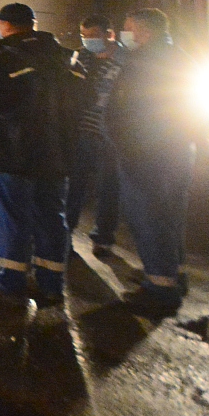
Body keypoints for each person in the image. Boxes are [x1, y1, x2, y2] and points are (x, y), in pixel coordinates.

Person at [0, 3, 87, 303]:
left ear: (3, 25)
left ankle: (10, 282)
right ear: (33, 24)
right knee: (52, 217)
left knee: (12, 218)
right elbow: (88, 97)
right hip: (56, 153)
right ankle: (51, 285)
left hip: (11, 154)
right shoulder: (67, 57)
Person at [105, 8, 197, 316]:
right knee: (171, 215)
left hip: (146, 154)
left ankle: (159, 290)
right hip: (177, 150)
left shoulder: (141, 61)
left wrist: (124, 143)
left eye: (128, 28)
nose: (125, 34)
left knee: (149, 218)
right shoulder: (180, 56)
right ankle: (173, 275)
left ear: (144, 31)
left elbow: (127, 109)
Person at [70, 14, 124, 256]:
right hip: (81, 130)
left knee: (108, 187)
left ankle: (103, 238)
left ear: (108, 35)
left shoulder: (124, 58)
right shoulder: (80, 56)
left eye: (93, 35)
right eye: (84, 35)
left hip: (109, 134)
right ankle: (65, 232)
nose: (88, 40)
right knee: (74, 186)